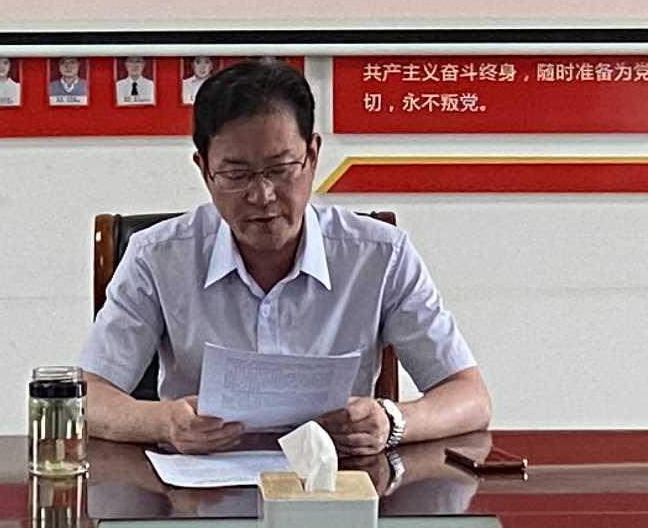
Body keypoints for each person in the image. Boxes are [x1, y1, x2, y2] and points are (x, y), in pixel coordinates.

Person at [77, 58, 490, 464]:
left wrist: (392, 420)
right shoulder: (157, 257)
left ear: (312, 156)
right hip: (194, 489)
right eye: (237, 175)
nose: (263, 196)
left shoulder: (380, 255)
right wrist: (164, 422)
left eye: (280, 169)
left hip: (339, 487)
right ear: (204, 170)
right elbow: (88, 396)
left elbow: (470, 397)